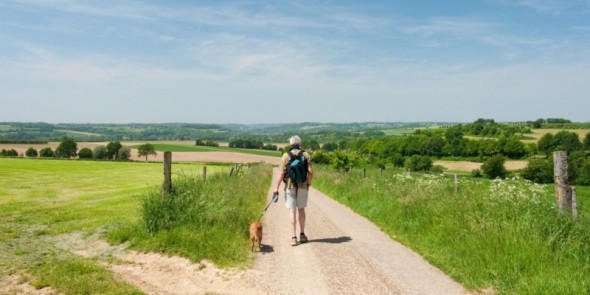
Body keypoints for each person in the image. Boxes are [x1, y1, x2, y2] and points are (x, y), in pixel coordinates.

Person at [273, 135, 313, 246]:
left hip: (290, 186)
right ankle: (302, 234)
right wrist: (308, 183)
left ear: (291, 144)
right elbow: (310, 172)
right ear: (300, 143)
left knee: (292, 211)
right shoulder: (306, 155)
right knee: (301, 210)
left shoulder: (286, 156)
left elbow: (281, 174)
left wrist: (276, 188)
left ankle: (294, 238)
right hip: (303, 186)